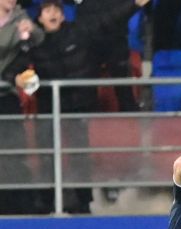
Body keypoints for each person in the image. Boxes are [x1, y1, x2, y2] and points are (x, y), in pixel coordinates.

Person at [10, 0, 149, 213]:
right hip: (50, 109)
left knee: (79, 156)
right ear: (39, 17)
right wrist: (18, 78)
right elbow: (15, 68)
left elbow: (108, 21)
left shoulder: (79, 32)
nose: (53, 14)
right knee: (47, 155)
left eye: (56, 10)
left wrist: (135, 5)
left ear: (63, 15)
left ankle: (83, 203)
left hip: (79, 107)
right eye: (47, 10)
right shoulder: (34, 43)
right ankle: (47, 203)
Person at [0, 0, 43, 214]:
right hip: (7, 80)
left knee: (13, 152)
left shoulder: (20, 17)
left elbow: (39, 38)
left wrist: (31, 30)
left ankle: (14, 205)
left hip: (6, 93)